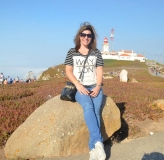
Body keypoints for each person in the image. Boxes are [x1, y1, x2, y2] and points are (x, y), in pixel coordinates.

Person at [64, 22, 106, 160]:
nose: (86, 37)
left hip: (94, 86)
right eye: (83, 35)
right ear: (79, 36)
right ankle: (98, 143)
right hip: (79, 87)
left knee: (96, 111)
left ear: (92, 37)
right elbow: (68, 71)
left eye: (89, 35)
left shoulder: (96, 53)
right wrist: (78, 85)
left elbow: (99, 71)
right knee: (88, 106)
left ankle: (93, 149)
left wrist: (98, 86)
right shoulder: (72, 52)